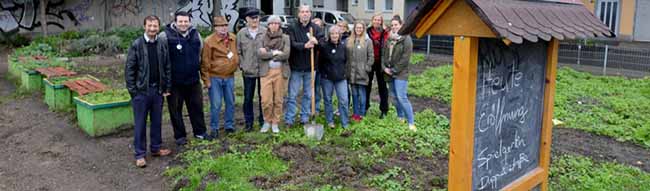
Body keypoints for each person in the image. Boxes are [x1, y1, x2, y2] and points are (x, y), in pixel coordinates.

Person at [125, 15, 172, 168]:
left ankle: (156, 148)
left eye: (155, 26)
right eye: (150, 26)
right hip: (141, 92)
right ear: (144, 26)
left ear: (159, 27)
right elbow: (129, 70)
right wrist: (134, 92)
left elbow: (166, 67)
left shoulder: (161, 43)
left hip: (157, 90)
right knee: (140, 124)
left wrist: (166, 87)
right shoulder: (137, 44)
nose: (152, 29)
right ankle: (139, 154)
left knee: (157, 121)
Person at [159, 11, 208, 146]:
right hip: (174, 82)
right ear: (175, 21)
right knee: (175, 110)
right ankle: (180, 136)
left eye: (186, 21)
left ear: (189, 22)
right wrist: (164, 82)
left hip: (193, 80)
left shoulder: (196, 35)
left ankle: (200, 132)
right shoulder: (165, 36)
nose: (183, 24)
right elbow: (161, 59)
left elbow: (200, 54)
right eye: (180, 21)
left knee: (197, 108)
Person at [201, 16, 240, 139]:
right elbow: (205, 63)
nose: (224, 28)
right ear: (215, 27)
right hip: (215, 77)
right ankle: (214, 128)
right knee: (216, 104)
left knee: (230, 102)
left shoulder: (233, 38)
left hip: (229, 76)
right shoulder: (209, 41)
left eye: (225, 25)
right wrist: (207, 81)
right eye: (220, 26)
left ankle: (229, 125)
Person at [286, 5, 324, 128]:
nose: (305, 14)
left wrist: (316, 42)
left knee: (308, 95)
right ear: (299, 14)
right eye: (302, 12)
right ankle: (290, 119)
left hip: (310, 68)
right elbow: (291, 43)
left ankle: (304, 118)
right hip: (296, 67)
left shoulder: (316, 28)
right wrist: (304, 45)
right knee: (292, 95)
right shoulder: (292, 27)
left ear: (310, 14)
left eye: (307, 12)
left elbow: (323, 43)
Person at [382, 15, 416, 131]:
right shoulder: (389, 38)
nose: (394, 27)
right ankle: (400, 117)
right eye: (392, 25)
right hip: (388, 71)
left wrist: (394, 70)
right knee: (394, 97)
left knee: (402, 97)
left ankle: (411, 122)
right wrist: (384, 67)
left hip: (401, 73)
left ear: (401, 25)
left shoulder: (406, 39)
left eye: (396, 24)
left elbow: (405, 58)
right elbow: (383, 55)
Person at [258, 15, 291, 133]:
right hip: (266, 72)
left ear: (280, 25)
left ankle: (275, 122)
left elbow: (286, 55)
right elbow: (260, 55)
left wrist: (268, 52)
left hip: (280, 72)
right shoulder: (262, 37)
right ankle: (267, 121)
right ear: (268, 25)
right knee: (266, 100)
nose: (274, 25)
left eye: (277, 23)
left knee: (278, 99)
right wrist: (275, 53)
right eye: (272, 23)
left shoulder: (285, 37)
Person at [237, 8, 265, 132]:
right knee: (248, 98)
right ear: (247, 19)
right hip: (248, 72)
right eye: (252, 18)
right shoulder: (241, 33)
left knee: (263, 97)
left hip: (263, 70)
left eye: (257, 18)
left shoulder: (265, 32)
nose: (255, 20)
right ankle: (249, 122)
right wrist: (243, 65)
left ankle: (263, 120)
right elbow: (238, 52)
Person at [319, 25, 349, 128]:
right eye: (332, 34)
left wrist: (344, 73)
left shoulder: (343, 46)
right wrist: (325, 73)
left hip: (341, 78)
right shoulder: (324, 47)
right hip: (327, 78)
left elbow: (346, 61)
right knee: (328, 100)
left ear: (339, 35)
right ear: (329, 35)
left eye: (336, 33)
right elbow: (320, 62)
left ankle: (345, 122)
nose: (334, 35)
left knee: (344, 100)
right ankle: (330, 121)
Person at [346, 21, 374, 122]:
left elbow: (371, 57)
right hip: (351, 72)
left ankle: (362, 113)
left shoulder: (367, 41)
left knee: (362, 94)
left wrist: (367, 68)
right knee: (354, 94)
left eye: (361, 28)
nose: (359, 29)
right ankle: (355, 113)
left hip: (362, 72)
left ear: (363, 29)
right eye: (357, 28)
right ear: (354, 29)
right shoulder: (349, 40)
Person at [366, 13, 390, 118]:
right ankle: (365, 107)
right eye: (375, 19)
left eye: (379, 20)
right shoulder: (367, 32)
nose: (377, 21)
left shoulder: (385, 33)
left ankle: (384, 110)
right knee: (367, 86)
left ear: (381, 22)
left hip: (381, 62)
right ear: (372, 20)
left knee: (382, 87)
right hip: (370, 61)